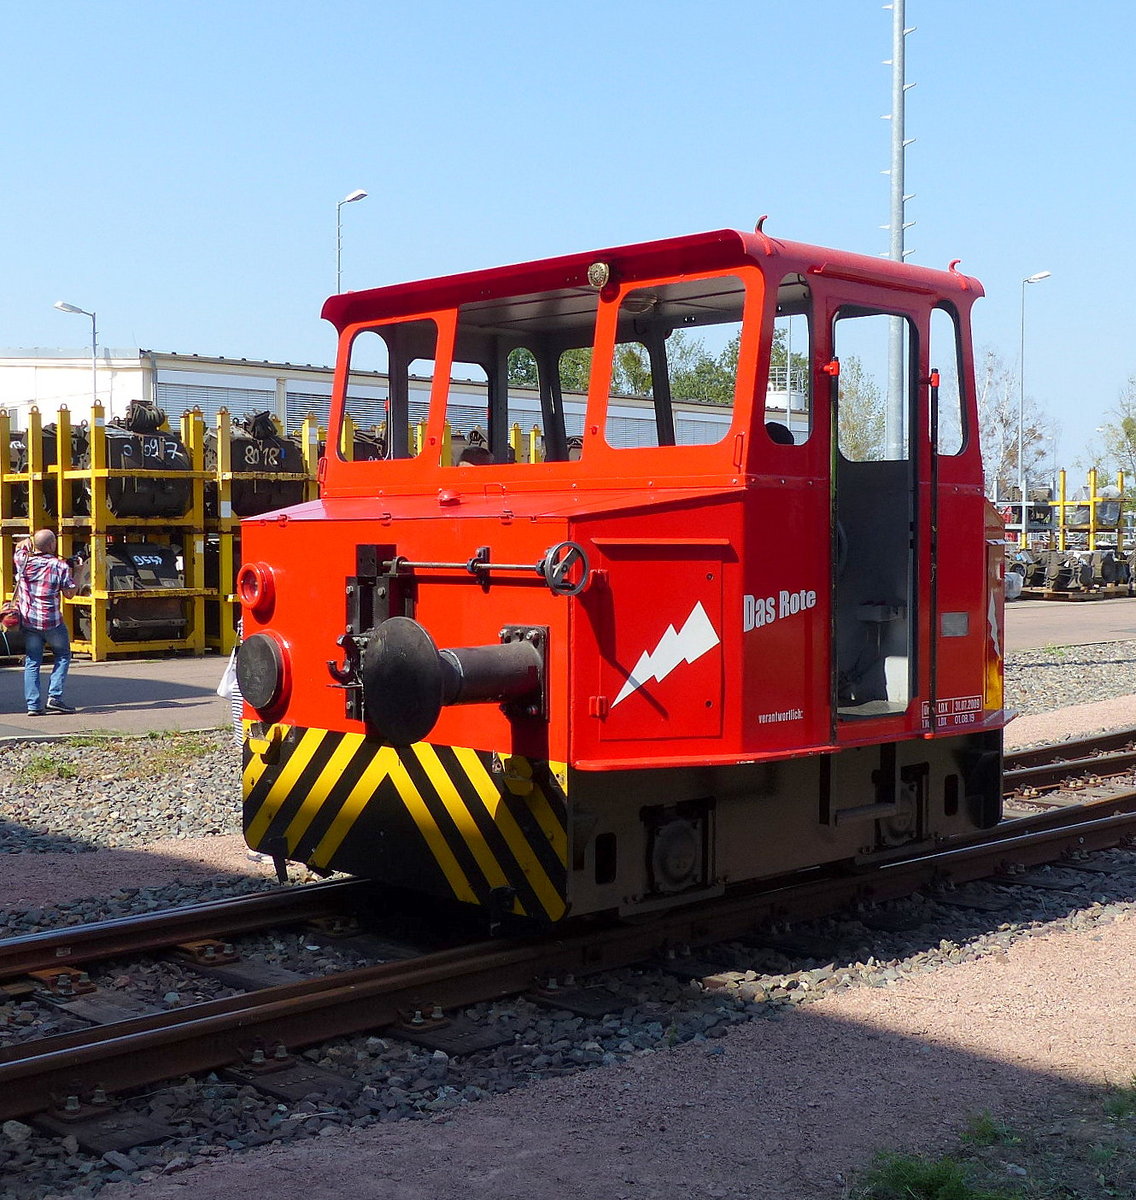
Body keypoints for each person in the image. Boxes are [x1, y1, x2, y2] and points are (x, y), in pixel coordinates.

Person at [15, 529, 77, 715]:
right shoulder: (59, 566)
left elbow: (19, 548)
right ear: (52, 545)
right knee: (63, 654)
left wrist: (26, 541)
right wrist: (79, 571)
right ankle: (55, 697)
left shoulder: (22, 561)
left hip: (29, 621)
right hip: (52, 622)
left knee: (33, 660)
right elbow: (70, 594)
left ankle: (33, 705)